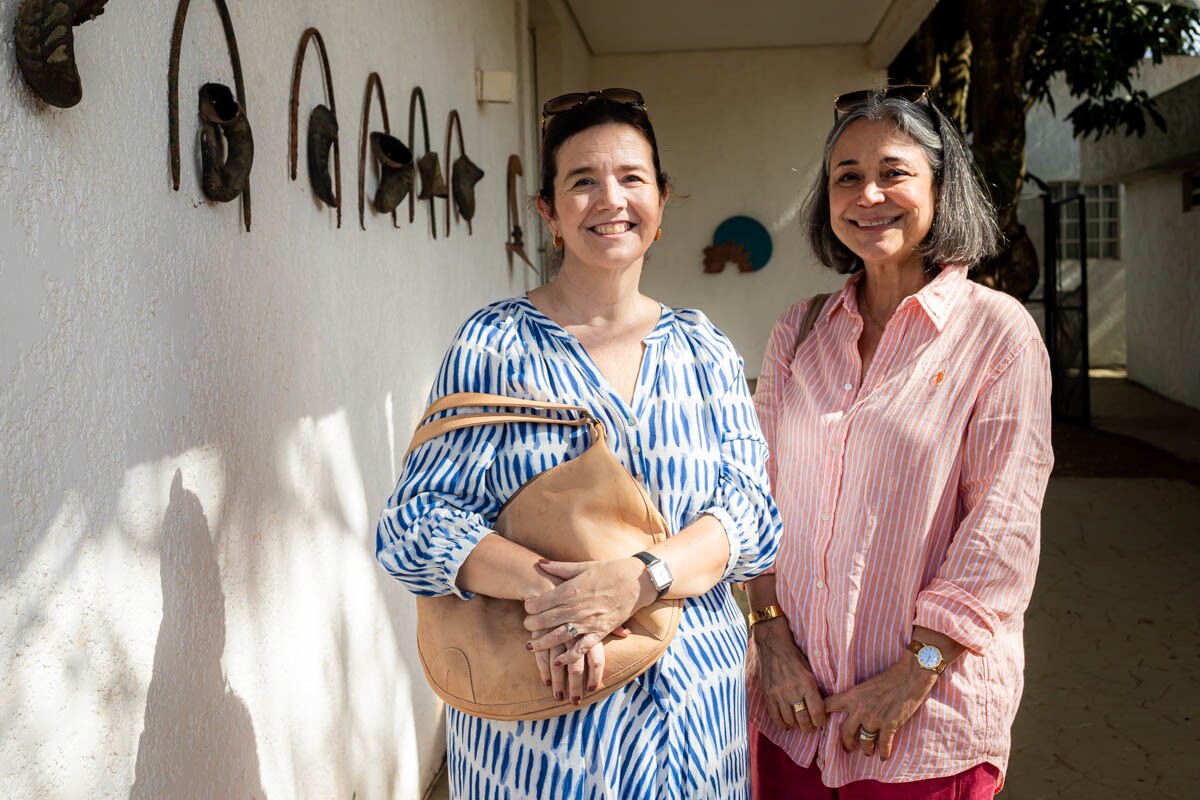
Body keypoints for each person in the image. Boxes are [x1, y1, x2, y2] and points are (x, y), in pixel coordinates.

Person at [377, 89, 781, 799]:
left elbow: (751, 518)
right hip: (545, 728)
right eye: (582, 181)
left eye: (631, 178)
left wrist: (640, 578)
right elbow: (414, 526)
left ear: (662, 199)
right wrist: (558, 598)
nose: (610, 199)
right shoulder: (494, 342)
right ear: (549, 212)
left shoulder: (703, 348)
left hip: (696, 721)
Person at [745, 86, 1053, 798]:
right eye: (846, 176)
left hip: (923, 723)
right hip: (794, 712)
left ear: (941, 187)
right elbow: (749, 495)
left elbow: (1002, 526)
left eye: (893, 171)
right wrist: (769, 636)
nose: (868, 193)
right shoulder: (799, 331)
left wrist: (915, 672)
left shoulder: (997, 333)